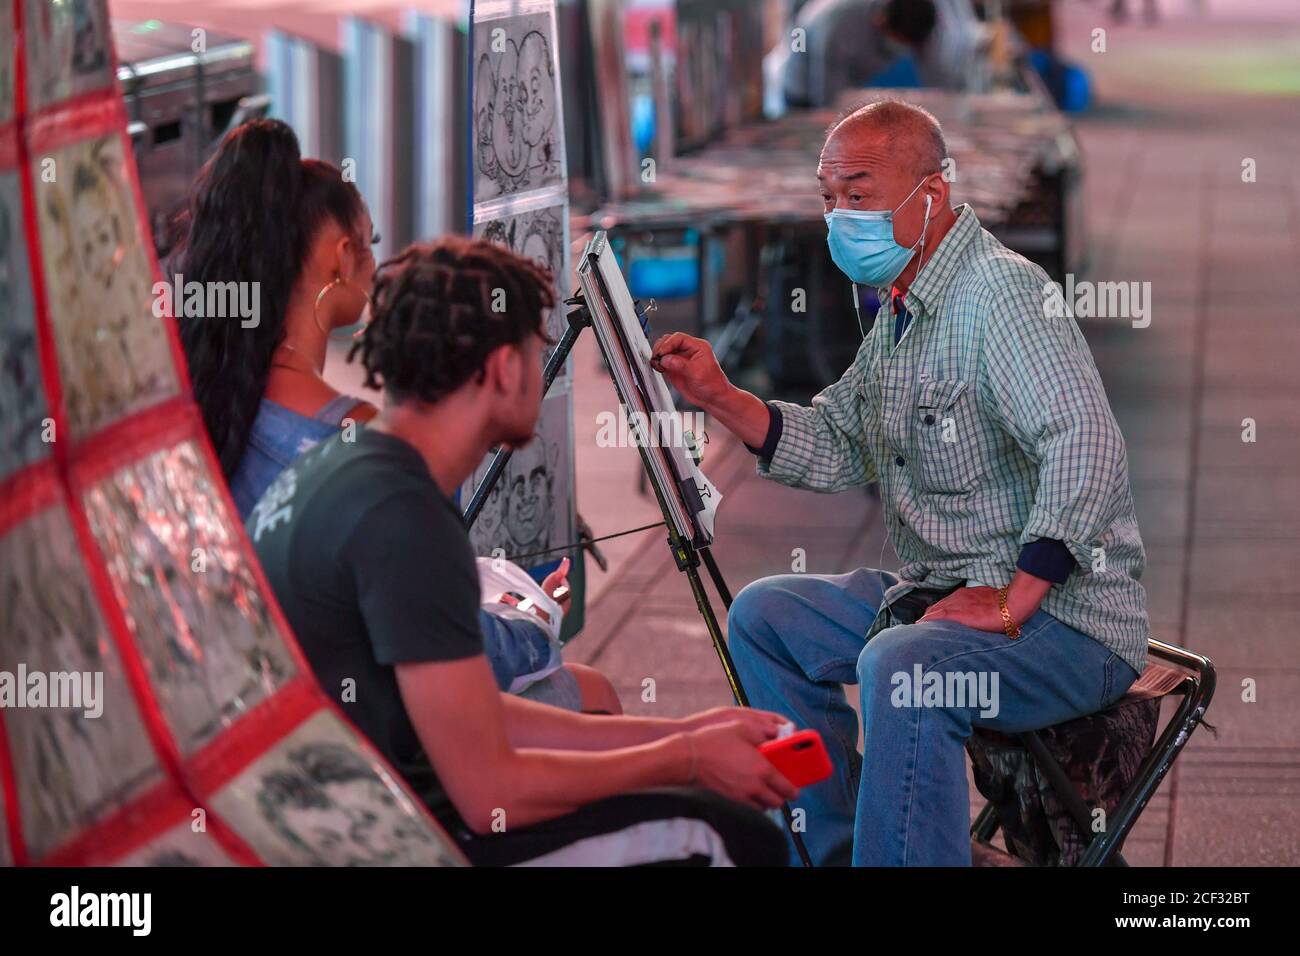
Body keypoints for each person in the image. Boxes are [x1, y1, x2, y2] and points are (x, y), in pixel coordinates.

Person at [651, 99, 1148, 866]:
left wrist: (1018, 595)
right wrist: (721, 397)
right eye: (829, 198)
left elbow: (1085, 444)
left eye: (859, 194)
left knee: (901, 665)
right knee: (765, 616)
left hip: (1069, 620)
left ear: (932, 194)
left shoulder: (1000, 296)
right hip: (941, 590)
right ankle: (843, 846)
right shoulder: (903, 306)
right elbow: (845, 442)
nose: (839, 216)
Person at [246, 236, 794, 865]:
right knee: (732, 836)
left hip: (353, 811)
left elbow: (480, 714)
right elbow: (490, 794)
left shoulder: (355, 470)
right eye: (537, 352)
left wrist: (689, 733)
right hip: (391, 839)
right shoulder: (402, 516)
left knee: (674, 785)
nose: (545, 371)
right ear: (504, 367)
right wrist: (691, 760)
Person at [170, 120, 610, 713]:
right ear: (341, 256)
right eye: (371, 244)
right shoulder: (359, 448)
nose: (374, 266)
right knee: (592, 692)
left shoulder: (201, 396)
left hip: (237, 698)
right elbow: (447, 656)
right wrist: (532, 619)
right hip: (344, 717)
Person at [780, 0, 980, 109]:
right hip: (802, 90)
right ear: (881, 21)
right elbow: (825, 100)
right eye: (899, 40)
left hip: (840, 84)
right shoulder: (840, 22)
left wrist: (951, 108)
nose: (900, 48)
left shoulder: (915, 19)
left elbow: (939, 82)